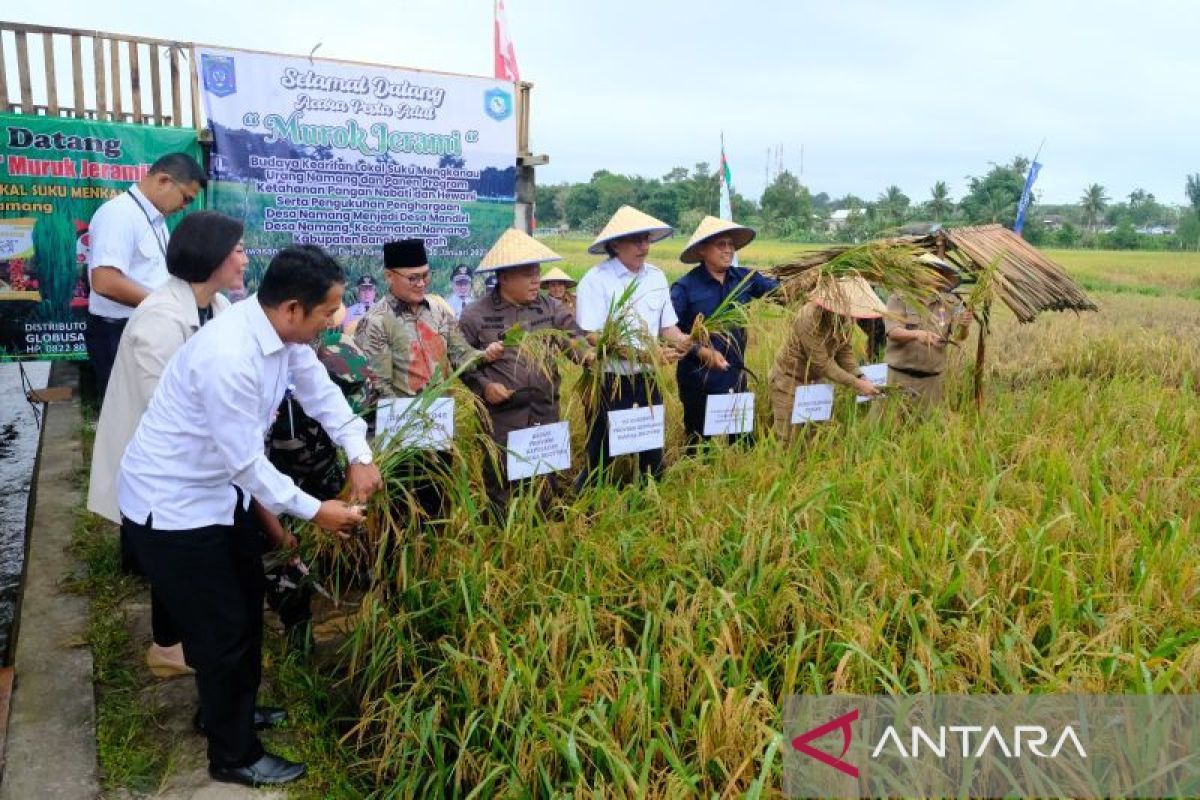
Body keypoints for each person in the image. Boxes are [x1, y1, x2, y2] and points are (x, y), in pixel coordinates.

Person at [118, 245, 383, 787]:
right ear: (291, 308)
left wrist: (359, 454)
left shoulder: (284, 337)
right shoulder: (229, 357)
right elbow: (246, 463)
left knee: (242, 610)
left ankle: (224, 714)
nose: (335, 320)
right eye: (327, 311)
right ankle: (233, 755)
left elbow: (323, 396)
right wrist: (316, 511)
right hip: (174, 508)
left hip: (218, 498)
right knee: (222, 632)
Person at [87, 210, 247, 679]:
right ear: (213, 257)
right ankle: (167, 646)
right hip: (159, 461)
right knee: (172, 550)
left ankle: (175, 643)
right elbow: (170, 405)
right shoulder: (160, 317)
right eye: (237, 250)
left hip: (188, 461)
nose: (244, 259)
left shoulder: (214, 307)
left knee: (183, 552)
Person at [354, 239, 502, 521]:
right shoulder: (377, 321)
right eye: (413, 277)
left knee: (437, 507)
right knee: (401, 514)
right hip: (398, 435)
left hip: (437, 426)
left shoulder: (437, 312)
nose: (421, 283)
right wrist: (411, 419)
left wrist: (485, 354)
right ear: (389, 276)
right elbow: (377, 389)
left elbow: (460, 354)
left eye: (425, 275)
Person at [458, 229, 589, 511]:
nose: (536, 280)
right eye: (528, 274)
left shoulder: (551, 307)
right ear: (505, 278)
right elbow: (461, 363)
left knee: (545, 484)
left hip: (545, 413)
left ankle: (543, 543)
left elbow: (573, 340)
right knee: (504, 491)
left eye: (537, 272)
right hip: (502, 419)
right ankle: (503, 542)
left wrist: (590, 355)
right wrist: (484, 387)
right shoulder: (475, 315)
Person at [574, 205, 700, 485]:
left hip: (647, 379)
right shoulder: (596, 281)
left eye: (646, 239)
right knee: (600, 455)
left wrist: (685, 340)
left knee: (651, 454)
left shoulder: (655, 277)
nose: (644, 246)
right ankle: (588, 506)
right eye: (636, 240)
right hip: (609, 381)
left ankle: (649, 501)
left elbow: (667, 327)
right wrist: (642, 354)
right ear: (615, 244)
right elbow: (593, 336)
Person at [85, 152, 205, 399]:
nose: (184, 206)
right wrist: (167, 305)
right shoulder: (120, 214)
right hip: (117, 333)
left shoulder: (155, 219)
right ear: (163, 181)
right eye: (185, 198)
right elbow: (105, 281)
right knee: (126, 419)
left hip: (146, 326)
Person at [670, 216, 778, 447]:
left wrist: (811, 280)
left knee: (742, 443)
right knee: (699, 445)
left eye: (731, 244)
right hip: (699, 379)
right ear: (702, 250)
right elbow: (671, 334)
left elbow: (780, 292)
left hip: (735, 374)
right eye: (721, 245)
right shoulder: (684, 288)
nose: (728, 250)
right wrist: (701, 351)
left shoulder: (746, 279)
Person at [768, 275, 885, 440]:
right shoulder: (808, 318)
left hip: (816, 382)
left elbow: (844, 350)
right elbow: (822, 364)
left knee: (815, 436)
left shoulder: (845, 317)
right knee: (788, 439)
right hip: (789, 379)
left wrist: (859, 375)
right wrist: (857, 384)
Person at [884, 254, 972, 404]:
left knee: (927, 425)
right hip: (899, 377)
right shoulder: (899, 298)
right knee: (893, 424)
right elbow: (893, 332)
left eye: (937, 272)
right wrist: (917, 335)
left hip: (931, 381)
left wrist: (964, 326)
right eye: (928, 270)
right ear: (916, 274)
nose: (933, 275)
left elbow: (959, 337)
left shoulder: (950, 303)